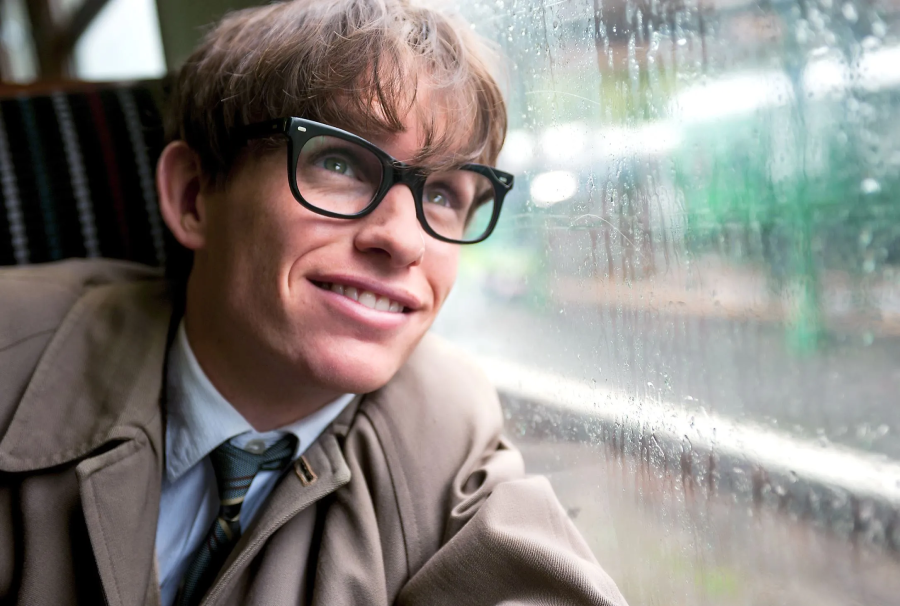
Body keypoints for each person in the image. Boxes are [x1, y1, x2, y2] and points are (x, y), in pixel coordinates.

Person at [0, 0, 627, 604]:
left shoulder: (447, 424)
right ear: (194, 196)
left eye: (441, 195)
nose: (404, 240)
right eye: (341, 162)